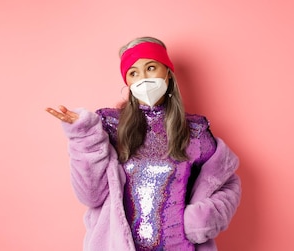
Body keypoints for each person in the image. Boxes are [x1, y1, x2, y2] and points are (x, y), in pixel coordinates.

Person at [46, 37, 241, 251]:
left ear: (167, 72)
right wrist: (83, 136)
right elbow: (91, 195)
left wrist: (201, 220)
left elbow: (225, 182)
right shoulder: (111, 126)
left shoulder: (195, 131)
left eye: (150, 67)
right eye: (133, 73)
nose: (143, 78)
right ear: (127, 82)